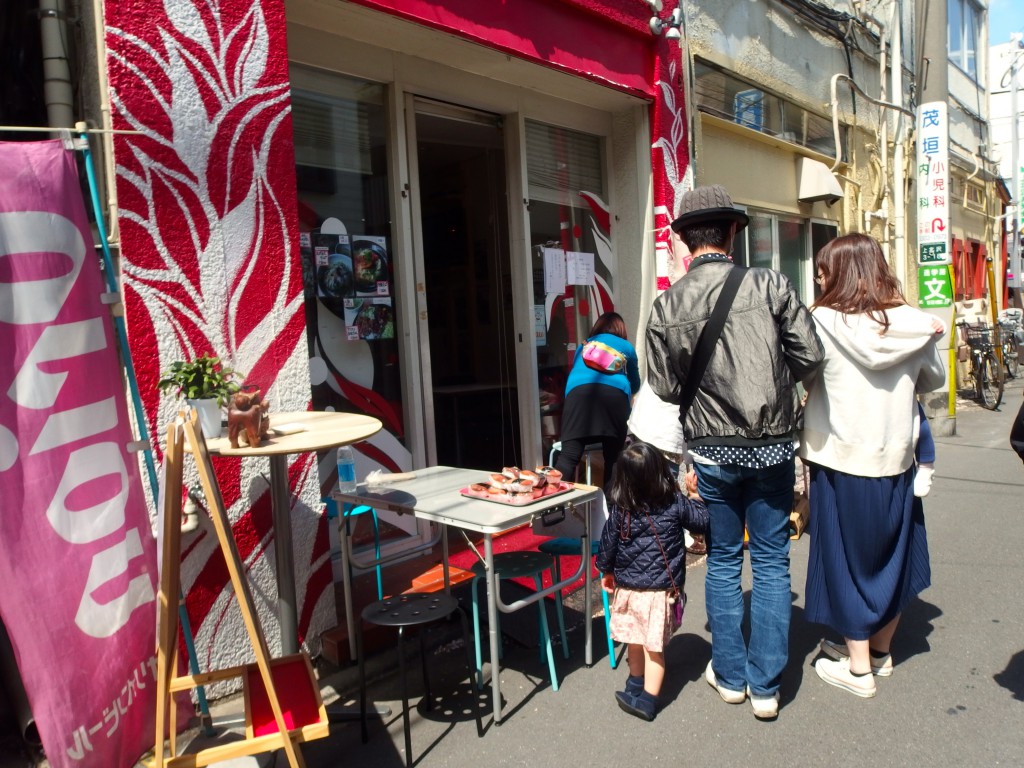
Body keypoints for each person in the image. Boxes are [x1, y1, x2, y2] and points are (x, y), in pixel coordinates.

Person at [646, 184, 824, 720]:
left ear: (685, 241)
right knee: (770, 562)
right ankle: (766, 688)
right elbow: (812, 357)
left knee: (722, 560)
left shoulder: (667, 304)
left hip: (711, 453)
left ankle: (729, 677)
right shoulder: (769, 284)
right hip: (770, 449)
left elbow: (664, 386)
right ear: (730, 233)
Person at [800, 233, 945, 698]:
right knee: (892, 556)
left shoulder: (820, 320)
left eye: (823, 271)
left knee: (843, 561)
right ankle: (879, 652)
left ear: (841, 273)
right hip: (895, 459)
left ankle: (858, 668)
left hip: (839, 460)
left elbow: (801, 374)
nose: (818, 279)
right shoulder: (912, 322)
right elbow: (934, 380)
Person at [595, 441, 709, 721]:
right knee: (653, 649)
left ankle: (639, 688)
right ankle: (646, 695)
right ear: (661, 472)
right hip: (660, 593)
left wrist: (606, 572)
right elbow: (703, 522)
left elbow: (608, 544)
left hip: (631, 590)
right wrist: (695, 495)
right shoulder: (674, 503)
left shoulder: (621, 509)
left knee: (634, 640)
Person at [554, 311, 641, 487]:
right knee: (614, 459)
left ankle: (554, 506)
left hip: (578, 396)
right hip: (615, 398)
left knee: (569, 456)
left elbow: (576, 375)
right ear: (621, 329)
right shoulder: (626, 347)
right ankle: (613, 510)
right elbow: (636, 384)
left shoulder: (584, 346)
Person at [626, 381, 705, 554]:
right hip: (664, 425)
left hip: (648, 419)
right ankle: (669, 535)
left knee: (648, 486)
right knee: (664, 488)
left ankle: (649, 535)